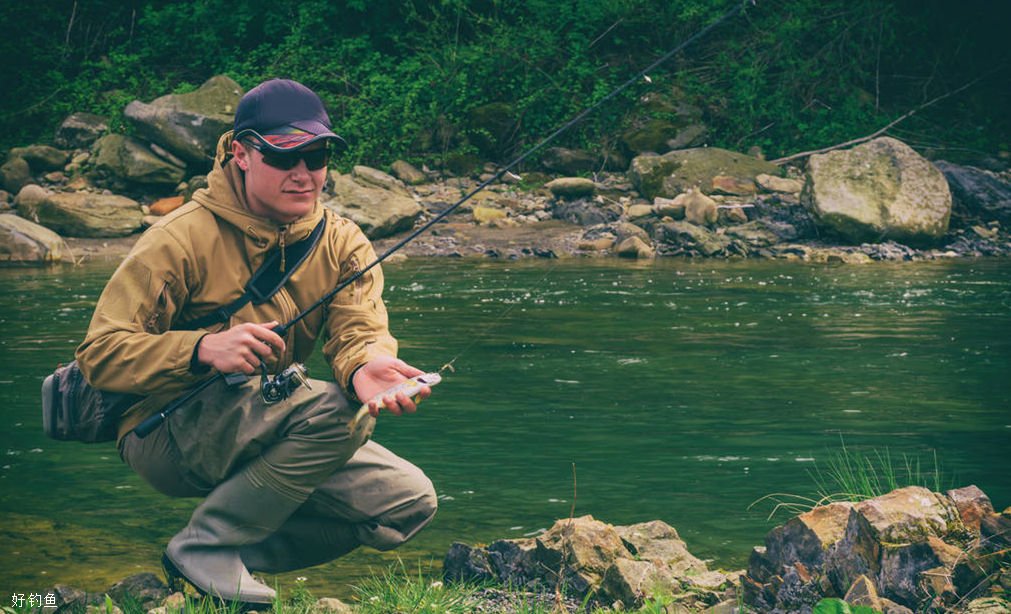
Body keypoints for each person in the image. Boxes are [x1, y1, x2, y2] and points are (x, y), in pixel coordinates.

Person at [75, 78, 437, 605]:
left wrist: (366, 367)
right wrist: (201, 349)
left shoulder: (341, 240)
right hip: (162, 431)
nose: (304, 174)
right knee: (334, 413)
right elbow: (99, 354)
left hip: (271, 422)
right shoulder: (179, 238)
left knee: (406, 502)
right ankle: (207, 546)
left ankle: (214, 562)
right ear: (241, 153)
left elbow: (359, 329)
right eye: (285, 157)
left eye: (316, 156)